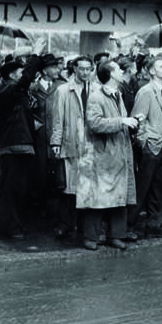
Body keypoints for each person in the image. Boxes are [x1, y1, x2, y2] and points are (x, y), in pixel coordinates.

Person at [76, 61, 138, 251]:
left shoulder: (117, 95)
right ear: (111, 74)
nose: (121, 71)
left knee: (120, 197)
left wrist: (132, 123)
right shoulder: (97, 96)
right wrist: (122, 121)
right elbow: (94, 123)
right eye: (118, 69)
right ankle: (91, 237)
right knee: (97, 199)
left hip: (118, 154)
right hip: (103, 156)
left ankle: (116, 236)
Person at [0, 55, 41, 239]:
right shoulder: (5, 91)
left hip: (22, 145)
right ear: (12, 75)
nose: (23, 76)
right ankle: (10, 227)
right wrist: (34, 57)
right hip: (13, 146)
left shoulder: (15, 93)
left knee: (19, 189)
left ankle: (15, 225)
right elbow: (25, 80)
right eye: (20, 73)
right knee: (11, 189)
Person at [130, 55, 162, 238]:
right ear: (151, 71)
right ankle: (127, 225)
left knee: (161, 186)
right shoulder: (146, 91)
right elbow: (138, 120)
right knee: (143, 188)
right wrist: (144, 143)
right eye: (161, 66)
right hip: (151, 146)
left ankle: (155, 224)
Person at [50, 55, 94, 240]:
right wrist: (55, 142)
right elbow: (58, 119)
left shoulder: (96, 89)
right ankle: (65, 224)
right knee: (69, 187)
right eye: (81, 68)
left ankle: (85, 226)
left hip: (91, 144)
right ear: (74, 69)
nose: (84, 72)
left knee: (88, 187)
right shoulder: (63, 90)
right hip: (71, 142)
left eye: (88, 69)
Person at [28, 53, 65, 219]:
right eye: (53, 67)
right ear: (44, 70)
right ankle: (38, 208)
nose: (57, 69)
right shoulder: (32, 88)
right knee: (38, 172)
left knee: (57, 173)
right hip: (39, 137)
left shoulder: (62, 86)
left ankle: (54, 211)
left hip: (57, 136)